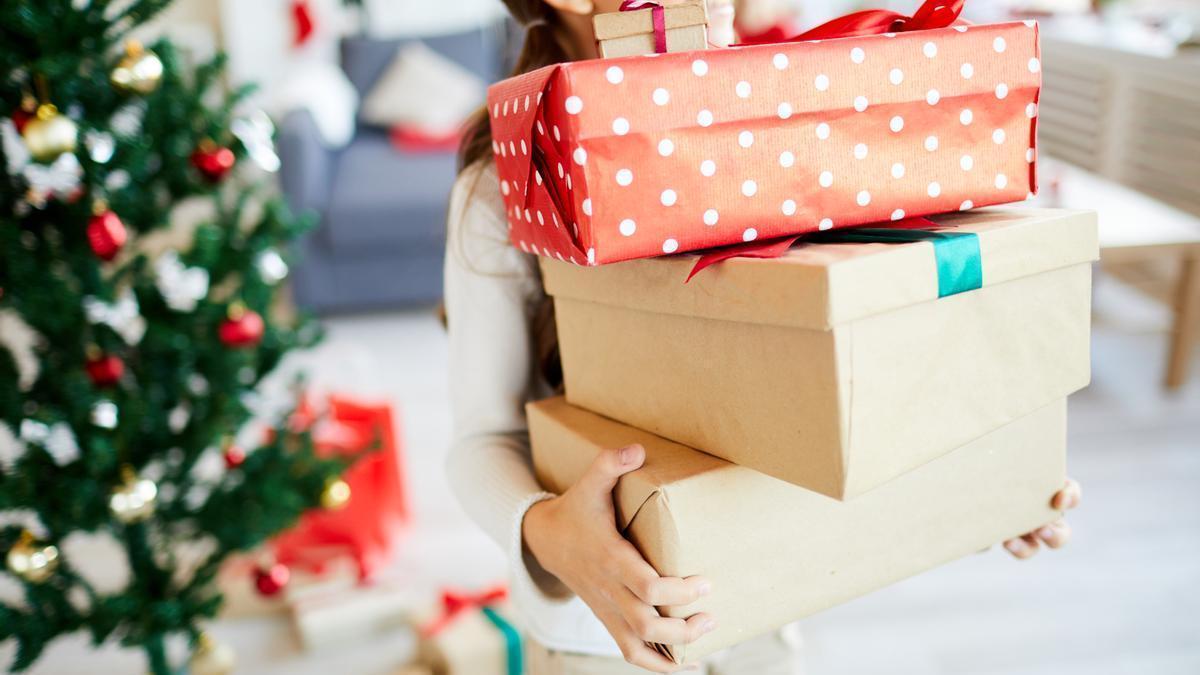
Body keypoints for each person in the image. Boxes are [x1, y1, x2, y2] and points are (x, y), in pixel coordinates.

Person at [443, 1, 1083, 672]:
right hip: (598, 632)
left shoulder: (775, 125)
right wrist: (551, 534)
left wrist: (982, 476)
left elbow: (834, 360)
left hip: (763, 596)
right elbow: (478, 441)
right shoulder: (505, 180)